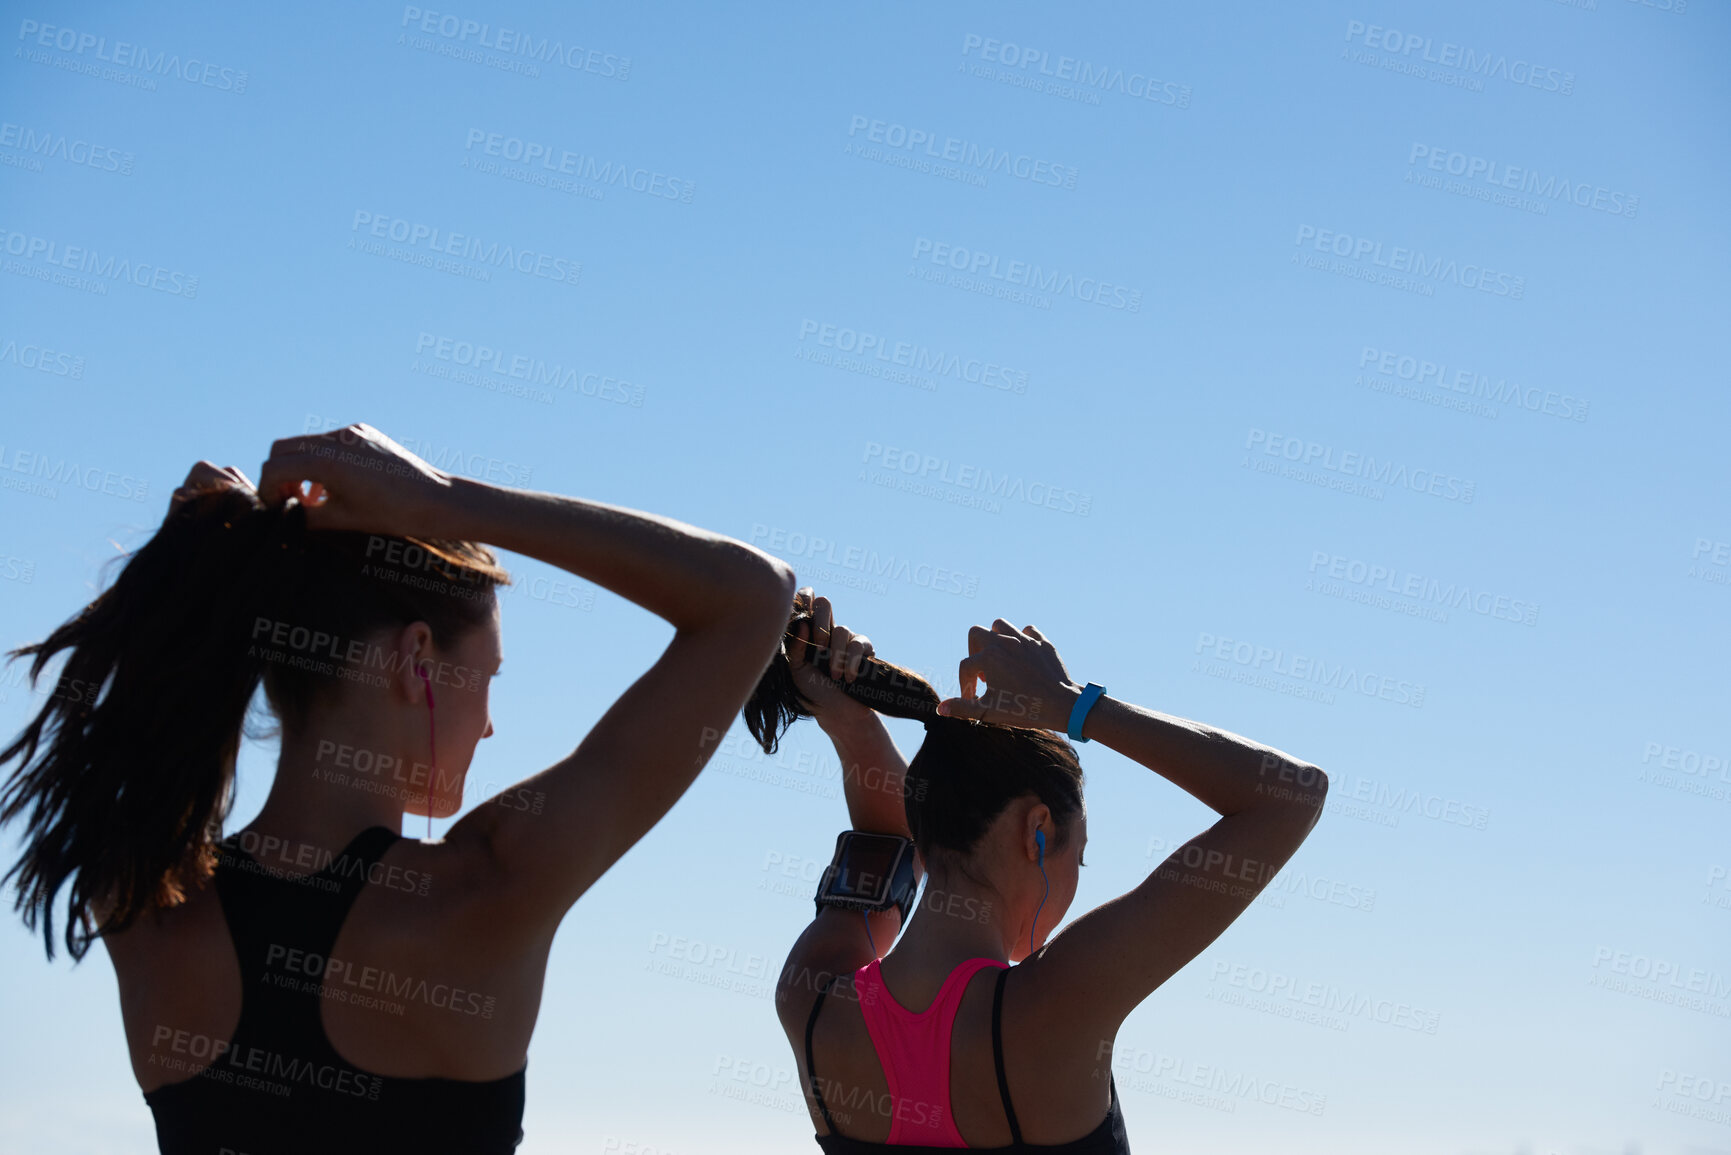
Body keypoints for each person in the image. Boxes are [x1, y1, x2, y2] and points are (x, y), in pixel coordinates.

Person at [0, 424, 797, 1154]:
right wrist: (444, 499)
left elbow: (148, 719)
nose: (487, 725)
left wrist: (197, 559)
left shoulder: (148, 899)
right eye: (487, 678)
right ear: (418, 659)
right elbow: (753, 593)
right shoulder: (484, 889)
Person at [748, 591, 1329, 1152]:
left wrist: (847, 721)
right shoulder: (1055, 1004)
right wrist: (1072, 704)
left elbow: (883, 849)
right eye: (1078, 856)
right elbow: (1289, 797)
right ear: (1038, 831)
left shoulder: (812, 1002)